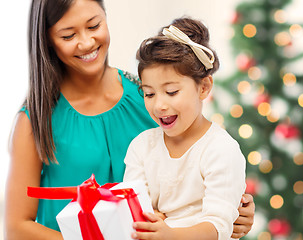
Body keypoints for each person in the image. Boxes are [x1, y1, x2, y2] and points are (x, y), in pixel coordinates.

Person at [4, 0, 254, 239]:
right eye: (68, 35)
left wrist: (235, 209)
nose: (86, 42)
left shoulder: (148, 96)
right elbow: (17, 229)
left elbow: (197, 165)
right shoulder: (35, 120)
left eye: (94, 26)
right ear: (47, 40)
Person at [123, 17, 246, 240]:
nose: (159, 105)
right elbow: (132, 210)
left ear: (204, 87)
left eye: (171, 92)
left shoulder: (221, 149)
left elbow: (218, 227)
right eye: (149, 93)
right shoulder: (141, 147)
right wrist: (149, 219)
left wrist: (170, 234)